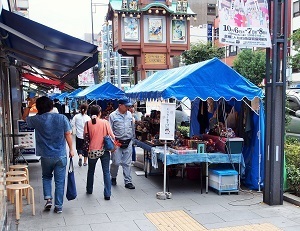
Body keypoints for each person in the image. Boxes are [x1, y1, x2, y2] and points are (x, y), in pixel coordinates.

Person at [22, 96, 74, 214]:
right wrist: (71, 149)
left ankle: (48, 198)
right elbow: (67, 134)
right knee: (60, 181)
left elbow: (24, 118)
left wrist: (30, 105)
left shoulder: (37, 119)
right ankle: (59, 206)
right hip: (60, 154)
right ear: (52, 106)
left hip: (45, 155)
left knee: (46, 177)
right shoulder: (62, 118)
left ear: (39, 107)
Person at [84, 105, 115, 200]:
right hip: (104, 150)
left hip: (92, 151)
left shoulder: (88, 123)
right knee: (106, 172)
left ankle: (89, 189)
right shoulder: (105, 122)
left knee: (91, 171)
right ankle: (107, 194)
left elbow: (85, 137)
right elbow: (112, 135)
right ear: (99, 113)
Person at [109, 98, 135, 189]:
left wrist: (133, 139)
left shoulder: (129, 114)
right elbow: (110, 130)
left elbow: (132, 127)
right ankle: (113, 177)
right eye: (126, 105)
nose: (128, 107)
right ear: (120, 105)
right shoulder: (112, 116)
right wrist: (112, 143)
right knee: (116, 162)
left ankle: (128, 181)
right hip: (117, 142)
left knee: (127, 163)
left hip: (128, 141)